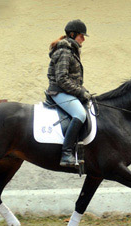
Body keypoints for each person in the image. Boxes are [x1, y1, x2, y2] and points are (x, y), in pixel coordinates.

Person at [46, 19, 92, 167]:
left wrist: (83, 91)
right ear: (72, 35)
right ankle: (66, 153)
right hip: (59, 92)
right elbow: (62, 79)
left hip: (67, 91)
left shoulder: (71, 50)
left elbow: (73, 79)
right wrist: (80, 92)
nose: (83, 39)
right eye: (81, 35)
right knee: (80, 114)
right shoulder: (65, 51)